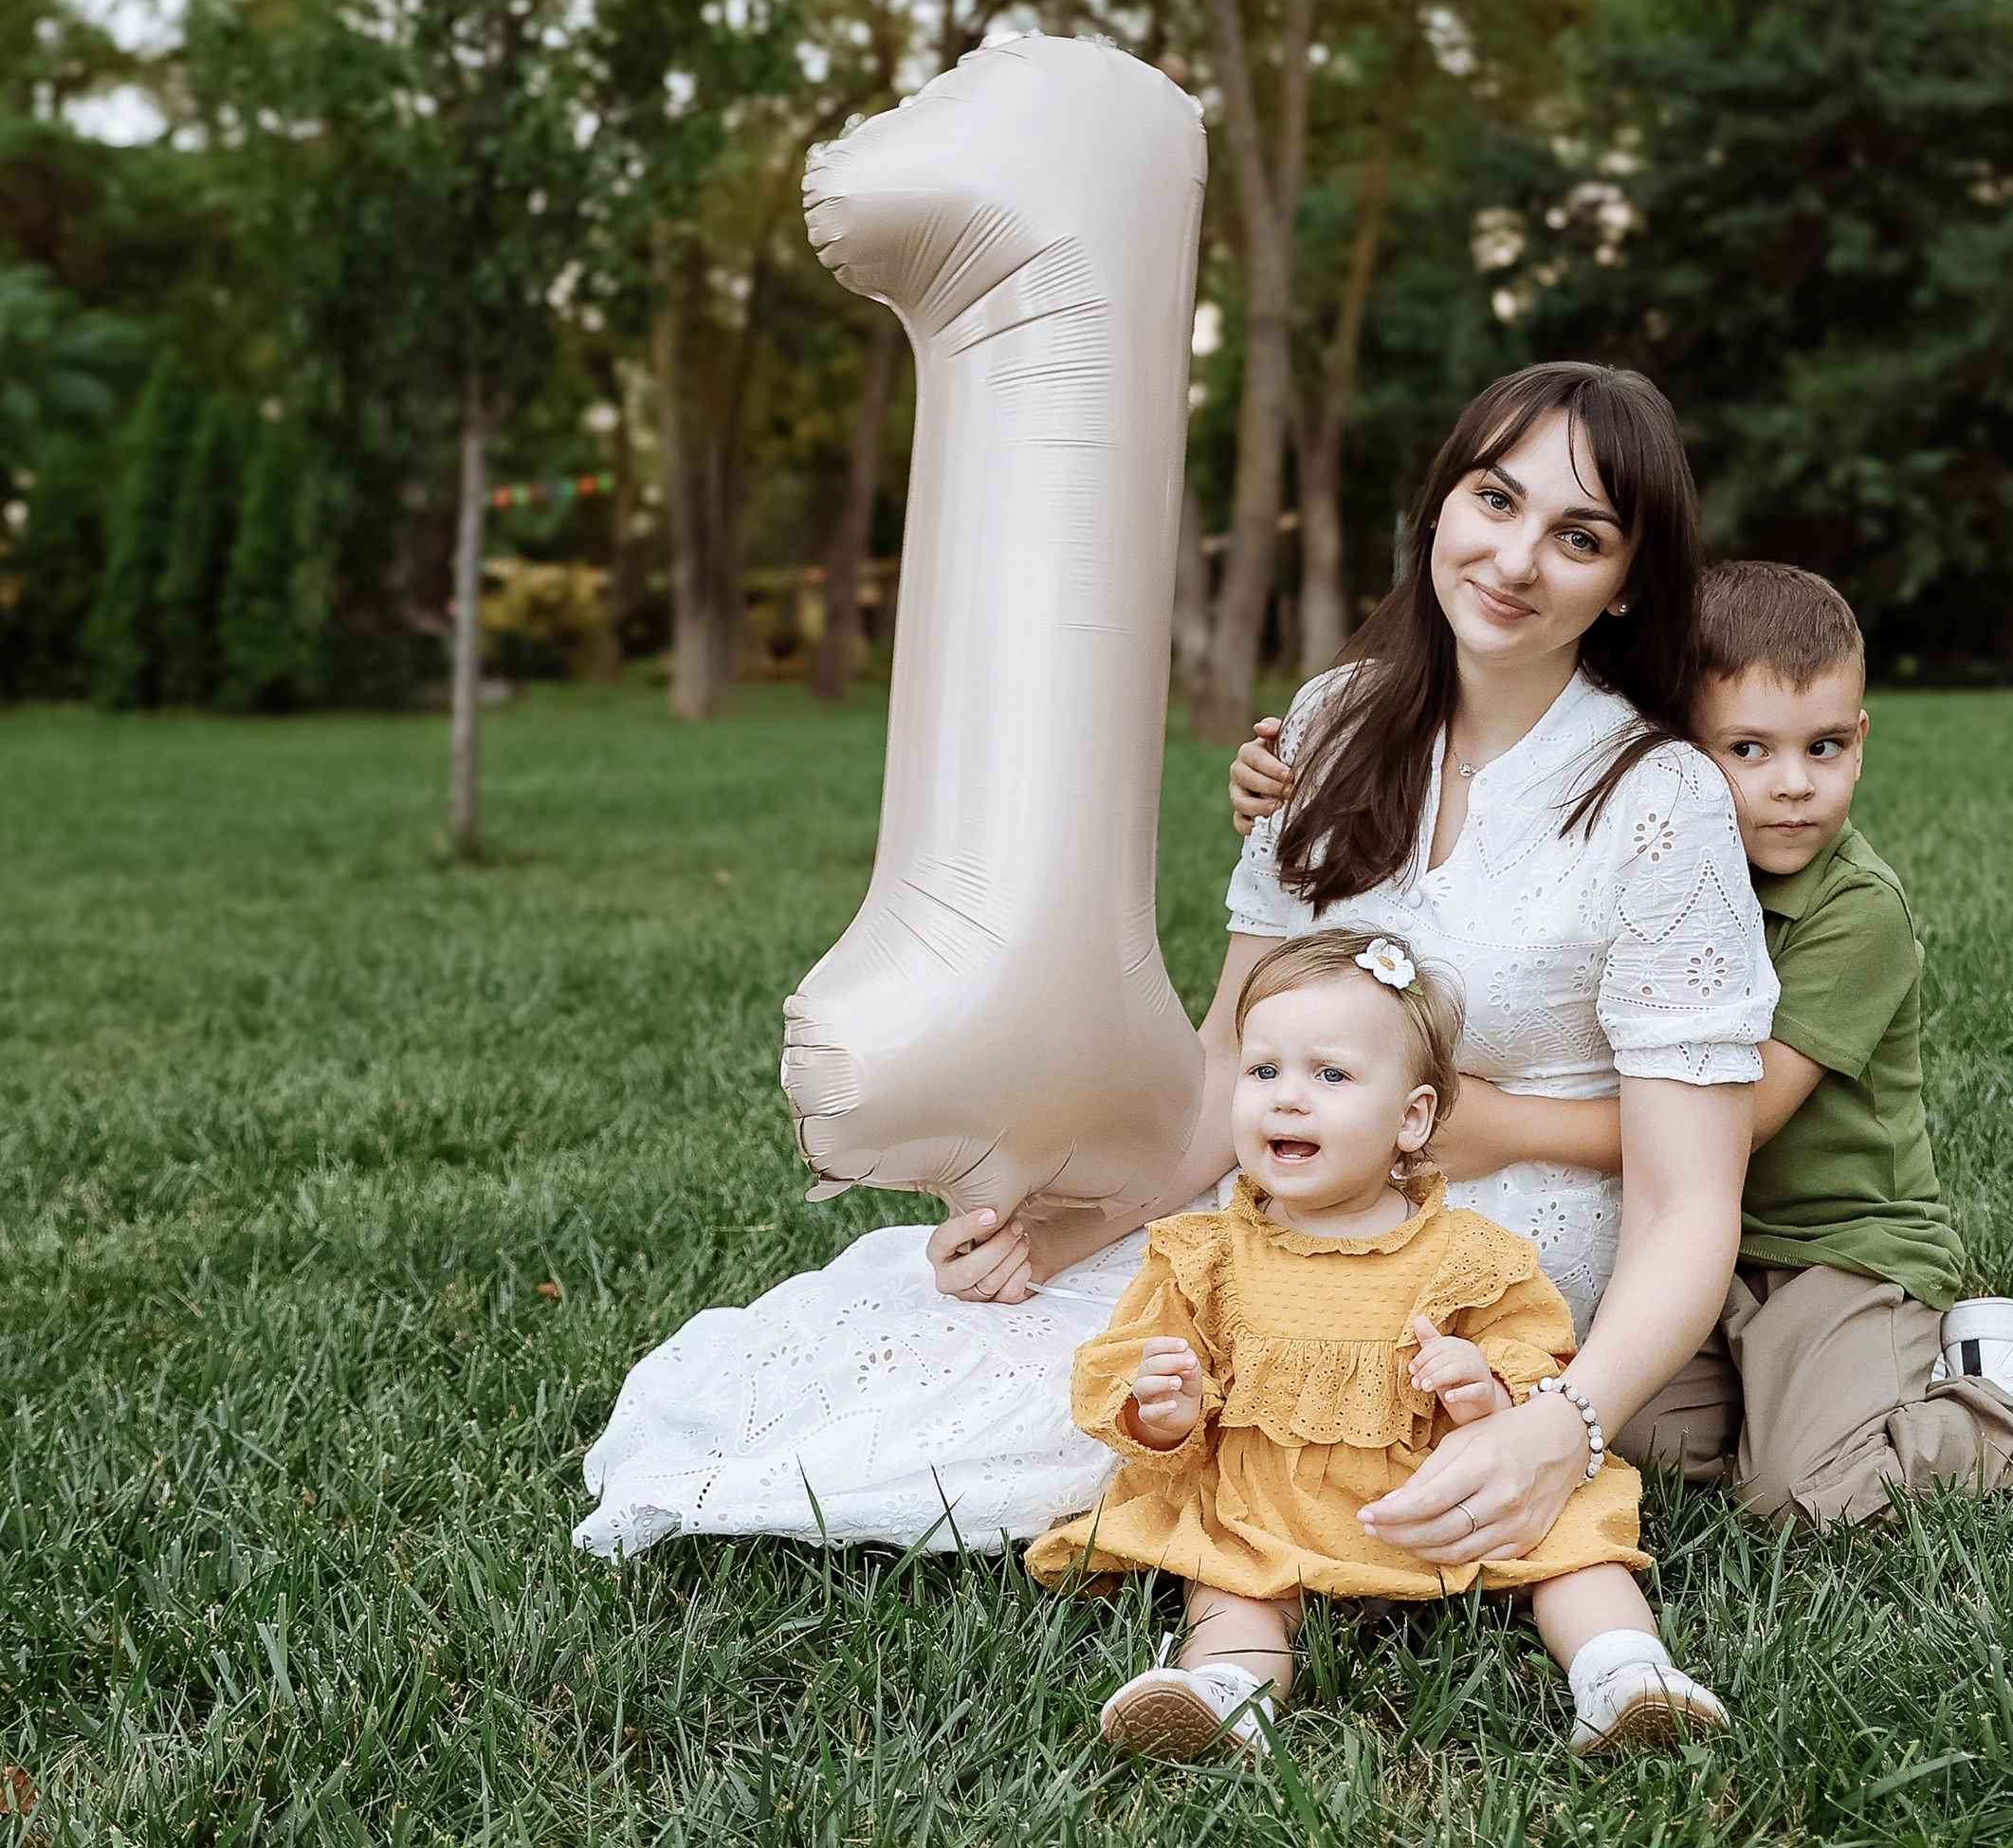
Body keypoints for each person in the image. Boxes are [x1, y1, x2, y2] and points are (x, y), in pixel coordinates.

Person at [574, 361, 1772, 1586]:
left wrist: (1559, 1426)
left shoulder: (1659, 801)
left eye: (1581, 536)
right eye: (1495, 501)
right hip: (1282, 1187)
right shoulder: (1332, 724)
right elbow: (1227, 1067)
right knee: (941, 1337)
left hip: (1489, 1254)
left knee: (1097, 1425)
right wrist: (1071, 1232)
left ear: (1628, 585)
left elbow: (1689, 1203)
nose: (1517, 561)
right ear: (1439, 511)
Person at [1031, 927, 1728, 1762]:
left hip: (1454, 1503)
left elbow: (1535, 1358)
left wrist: (1485, 1390)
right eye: (1263, 1071)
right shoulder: (1203, 1254)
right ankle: (1224, 1690)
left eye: (1330, 1075)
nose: (1286, 1098)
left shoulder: (1470, 1255)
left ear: (1412, 1117)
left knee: (1574, 1545)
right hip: (1274, 1509)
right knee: (1229, 1577)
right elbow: (1133, 1376)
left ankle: (1623, 1673)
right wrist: (1165, 1409)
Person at [1616, 560, 2013, 1528]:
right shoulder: (1661, 873)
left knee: (1800, 1494)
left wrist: (1501, 1128)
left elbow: (1730, 1127)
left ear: (1860, 742)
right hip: (1706, 1255)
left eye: (1824, 746)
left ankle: (2011, 1400)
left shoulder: (1854, 909)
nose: (1793, 785)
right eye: (1746, 748)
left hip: (1839, 1249)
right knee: (1633, 1445)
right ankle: (1808, 1400)